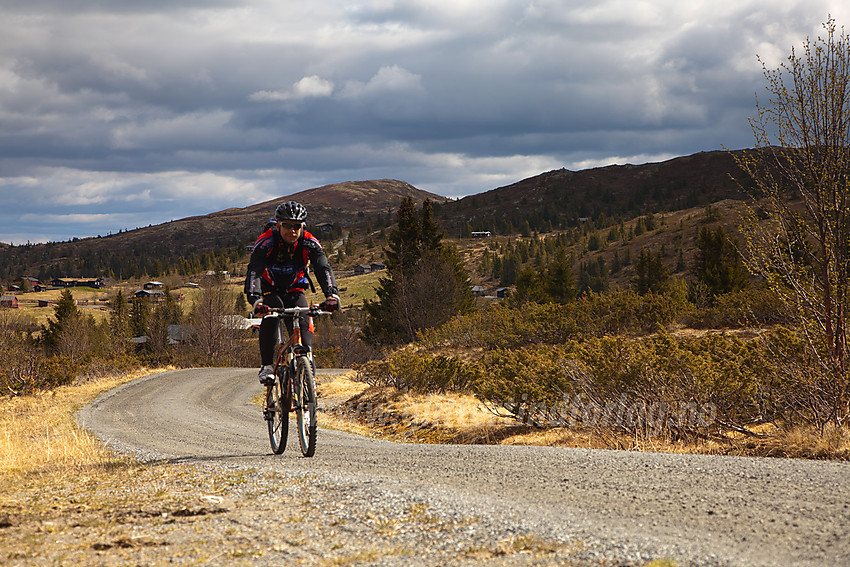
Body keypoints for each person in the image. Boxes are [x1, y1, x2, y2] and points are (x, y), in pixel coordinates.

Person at [245, 200, 340, 385]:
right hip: (270, 288)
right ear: (279, 224)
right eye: (287, 226)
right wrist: (256, 301)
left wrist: (331, 295)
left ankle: (305, 371)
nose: (292, 231)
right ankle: (266, 366)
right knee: (273, 312)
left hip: (295, 289)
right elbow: (254, 270)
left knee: (304, 330)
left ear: (302, 226)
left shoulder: (309, 242)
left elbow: (323, 267)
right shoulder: (266, 241)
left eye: (297, 226)